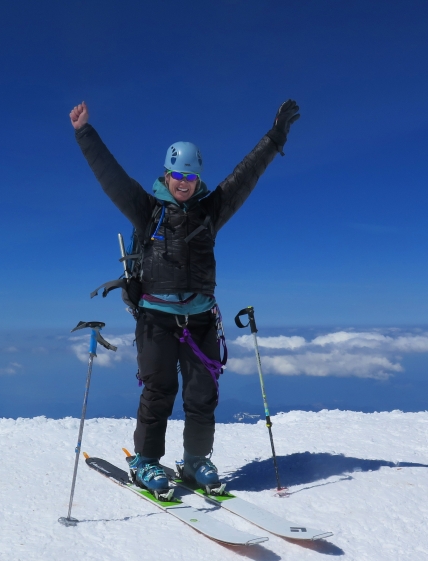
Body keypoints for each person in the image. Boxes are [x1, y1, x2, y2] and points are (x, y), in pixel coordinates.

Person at [70, 99, 300, 495]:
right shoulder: (146, 210)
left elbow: (245, 175)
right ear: (166, 173)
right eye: (177, 174)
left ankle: (194, 461)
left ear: (198, 179)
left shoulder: (211, 211)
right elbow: (111, 176)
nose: (183, 182)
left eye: (190, 176)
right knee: (159, 391)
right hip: (155, 319)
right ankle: (146, 463)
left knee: (201, 395)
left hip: (200, 319)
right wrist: (85, 133)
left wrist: (275, 136)